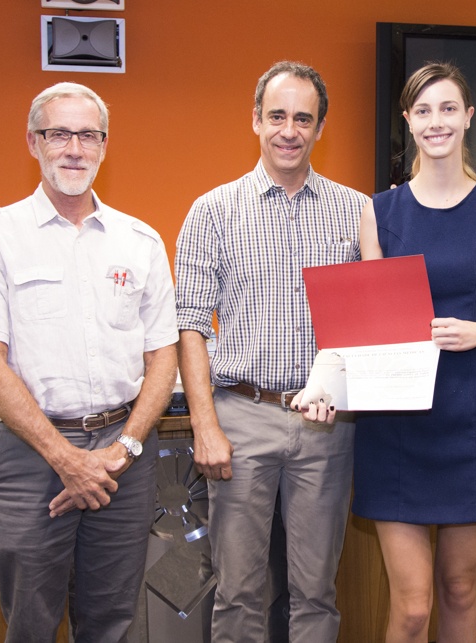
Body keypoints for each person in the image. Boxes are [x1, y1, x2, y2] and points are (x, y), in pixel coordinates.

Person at [0, 82, 179, 642]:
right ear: (33, 142)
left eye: (88, 135)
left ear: (104, 145)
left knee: (112, 623)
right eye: (59, 134)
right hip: (29, 458)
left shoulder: (139, 241)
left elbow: (162, 357)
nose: (75, 148)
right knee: (30, 622)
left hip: (125, 455)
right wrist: (65, 457)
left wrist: (123, 448)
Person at [174, 61, 367, 643]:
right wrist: (204, 425)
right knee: (238, 591)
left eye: (303, 118)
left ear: (320, 127)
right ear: (255, 120)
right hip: (241, 418)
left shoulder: (356, 211)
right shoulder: (212, 211)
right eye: (277, 115)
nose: (289, 130)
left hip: (326, 427)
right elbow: (188, 327)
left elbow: (369, 322)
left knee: (315, 592)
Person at [351, 62, 476, 642]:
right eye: (423, 110)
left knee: (460, 588)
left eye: (448, 108)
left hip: (470, 413)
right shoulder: (378, 212)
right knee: (411, 605)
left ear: (468, 117)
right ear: (408, 121)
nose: (437, 122)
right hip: (398, 421)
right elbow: (369, 324)